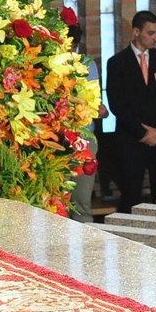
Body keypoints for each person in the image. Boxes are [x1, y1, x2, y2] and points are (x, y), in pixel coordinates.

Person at [105, 11, 156, 213]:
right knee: (130, 196)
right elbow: (117, 104)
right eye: (150, 33)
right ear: (136, 32)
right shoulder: (117, 63)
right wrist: (143, 132)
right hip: (131, 140)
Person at [67, 22, 107, 223]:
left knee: (82, 201)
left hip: (84, 136)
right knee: (57, 201)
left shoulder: (87, 64)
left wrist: (97, 109)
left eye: (73, 46)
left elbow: (95, 102)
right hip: (58, 137)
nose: (70, 51)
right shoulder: (47, 63)